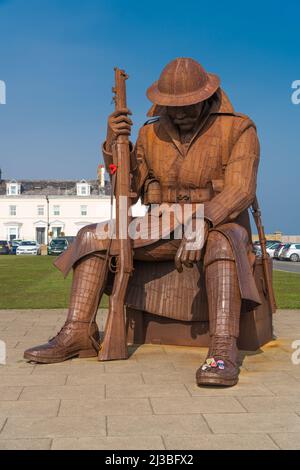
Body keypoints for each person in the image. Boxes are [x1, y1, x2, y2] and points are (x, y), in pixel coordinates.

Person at [24, 58, 261, 387]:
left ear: (207, 97)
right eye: (171, 106)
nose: (177, 113)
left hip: (217, 225)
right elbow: (129, 189)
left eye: (186, 106)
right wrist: (114, 145)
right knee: (91, 236)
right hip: (160, 224)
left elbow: (241, 188)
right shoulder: (151, 132)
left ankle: (222, 346)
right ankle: (78, 331)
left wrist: (203, 221)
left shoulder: (239, 127)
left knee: (223, 242)